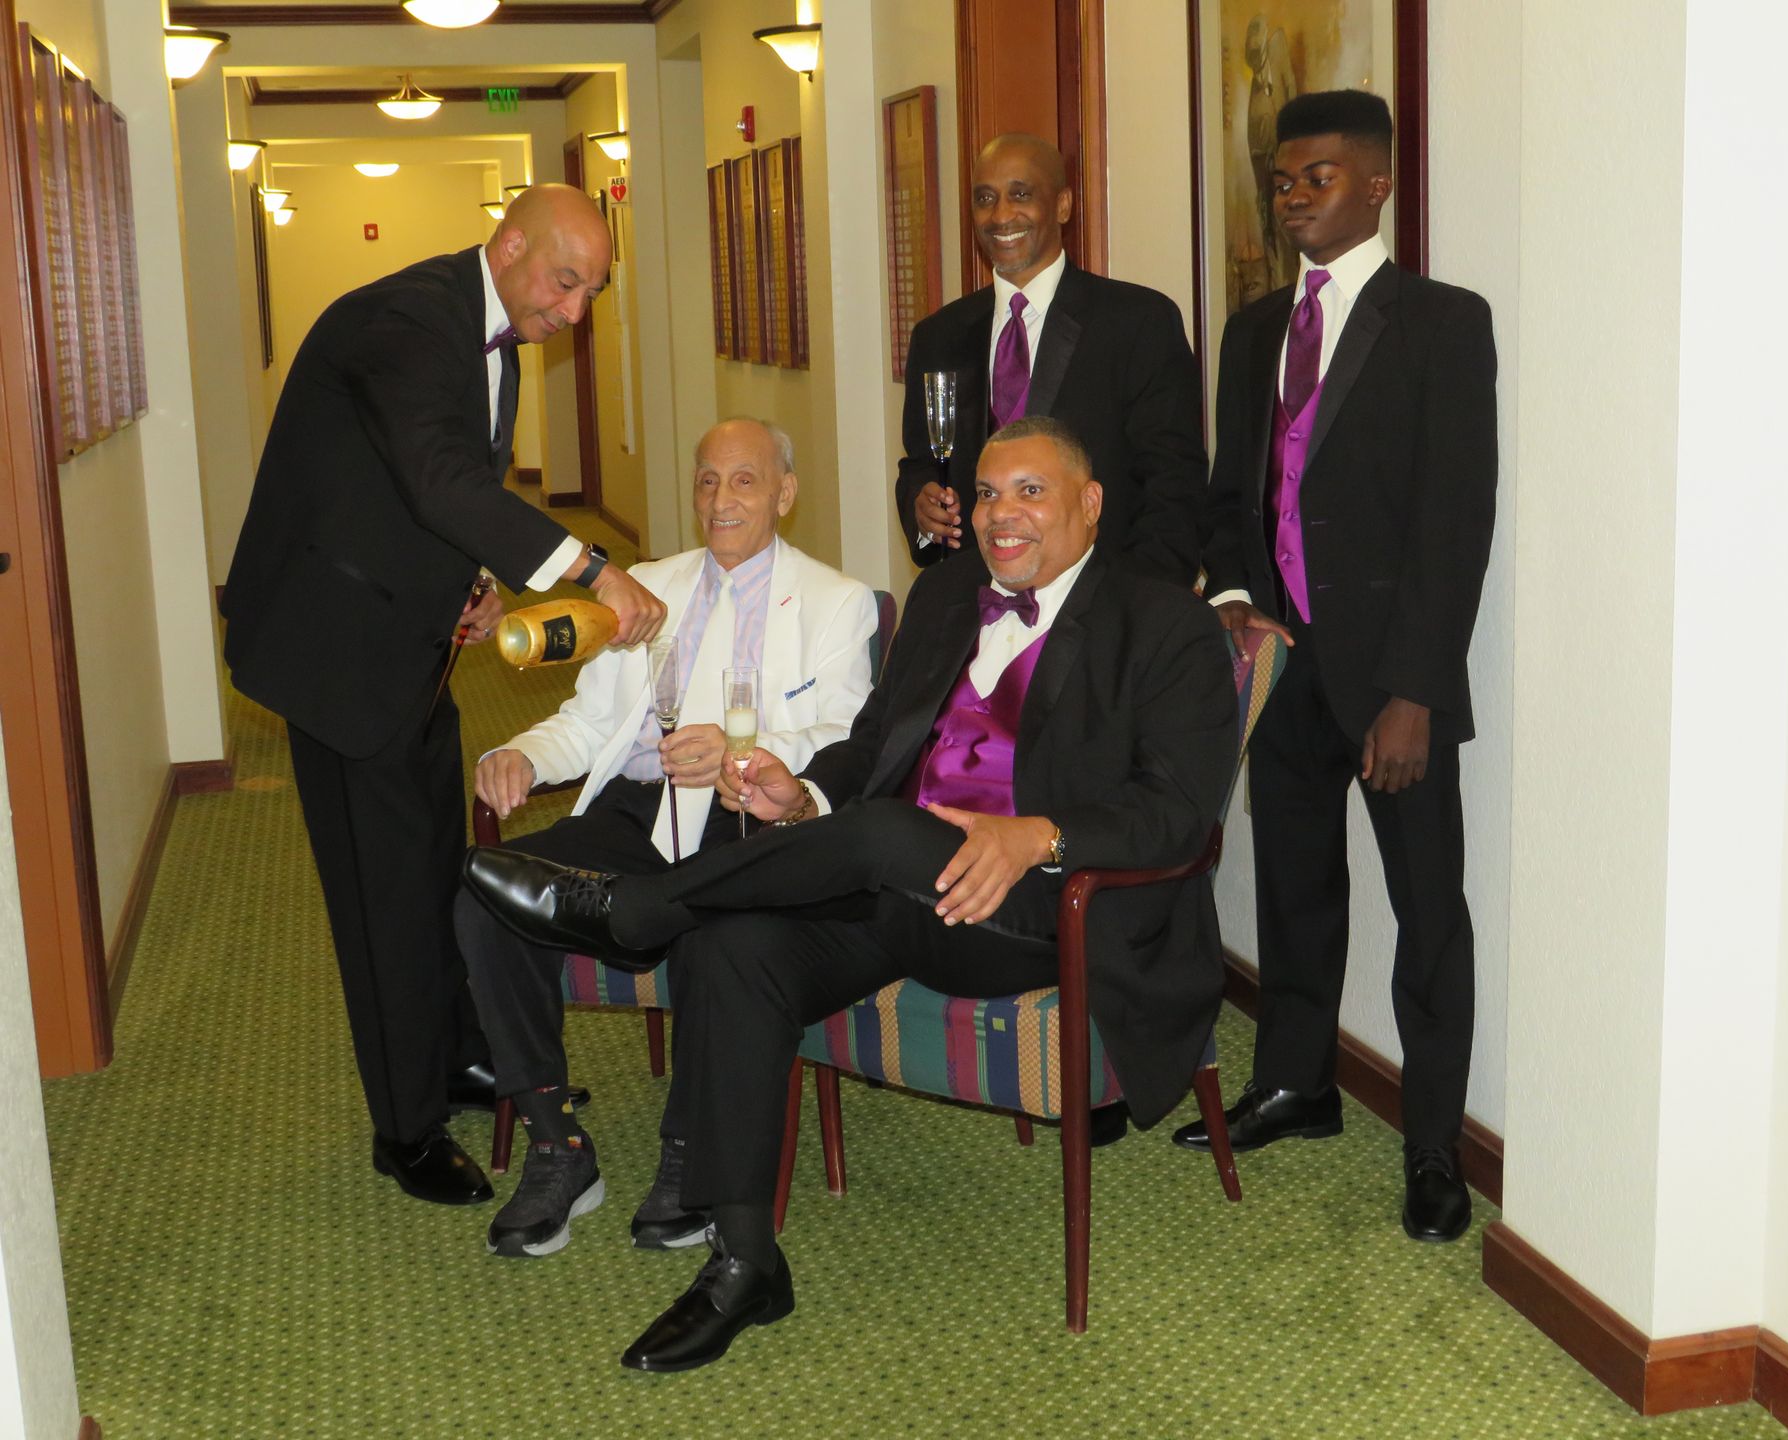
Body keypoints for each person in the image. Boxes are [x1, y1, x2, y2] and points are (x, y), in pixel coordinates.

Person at [465, 416, 1239, 1371]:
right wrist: (804, 795)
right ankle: (745, 1260)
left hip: (1036, 908)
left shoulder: (1164, 623)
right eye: (987, 493)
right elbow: (872, 742)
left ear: (1090, 504)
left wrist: (1039, 834)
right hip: (895, 897)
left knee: (877, 833)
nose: (1001, 515)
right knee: (734, 945)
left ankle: (637, 908)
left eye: (1031, 493)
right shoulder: (947, 593)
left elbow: (1179, 814)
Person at [221, 184, 668, 1206]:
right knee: (381, 897)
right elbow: (438, 481)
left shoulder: (488, 328)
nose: (575, 311)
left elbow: (427, 492)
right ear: (508, 246)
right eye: (565, 281)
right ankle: (406, 1127)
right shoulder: (408, 320)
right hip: (338, 654)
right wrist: (594, 570)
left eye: (593, 292)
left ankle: (463, 1056)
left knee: (435, 867)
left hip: (408, 636)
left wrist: (470, 585)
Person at [1172, 90, 1497, 1245]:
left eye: (1317, 177)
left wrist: (1417, 690)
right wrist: (1232, 602)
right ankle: (1299, 1085)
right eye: (1282, 180)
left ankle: (1434, 1147)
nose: (1293, 197)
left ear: (1376, 183)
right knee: (1296, 889)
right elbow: (1231, 496)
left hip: (1394, 682)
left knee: (1428, 913)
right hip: (1285, 666)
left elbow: (1455, 521)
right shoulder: (1255, 330)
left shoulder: (1442, 323)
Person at [453, 417, 877, 1259]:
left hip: (745, 819)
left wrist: (745, 752)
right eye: (707, 480)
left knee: (715, 928)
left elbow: (843, 737)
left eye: (745, 480)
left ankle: (690, 1148)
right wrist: (522, 754)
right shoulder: (645, 587)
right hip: (635, 813)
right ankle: (556, 1145)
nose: (721, 499)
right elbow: (588, 722)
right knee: (487, 897)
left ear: (785, 494)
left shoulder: (837, 601)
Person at [894, 134, 1207, 586]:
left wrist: (1137, 603)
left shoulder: (1138, 323)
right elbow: (921, 463)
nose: (1001, 215)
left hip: (1106, 597)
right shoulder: (938, 336)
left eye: (1021, 195)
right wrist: (922, 511)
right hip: (974, 599)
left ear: (1062, 205)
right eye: (985, 199)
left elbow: (1173, 483)